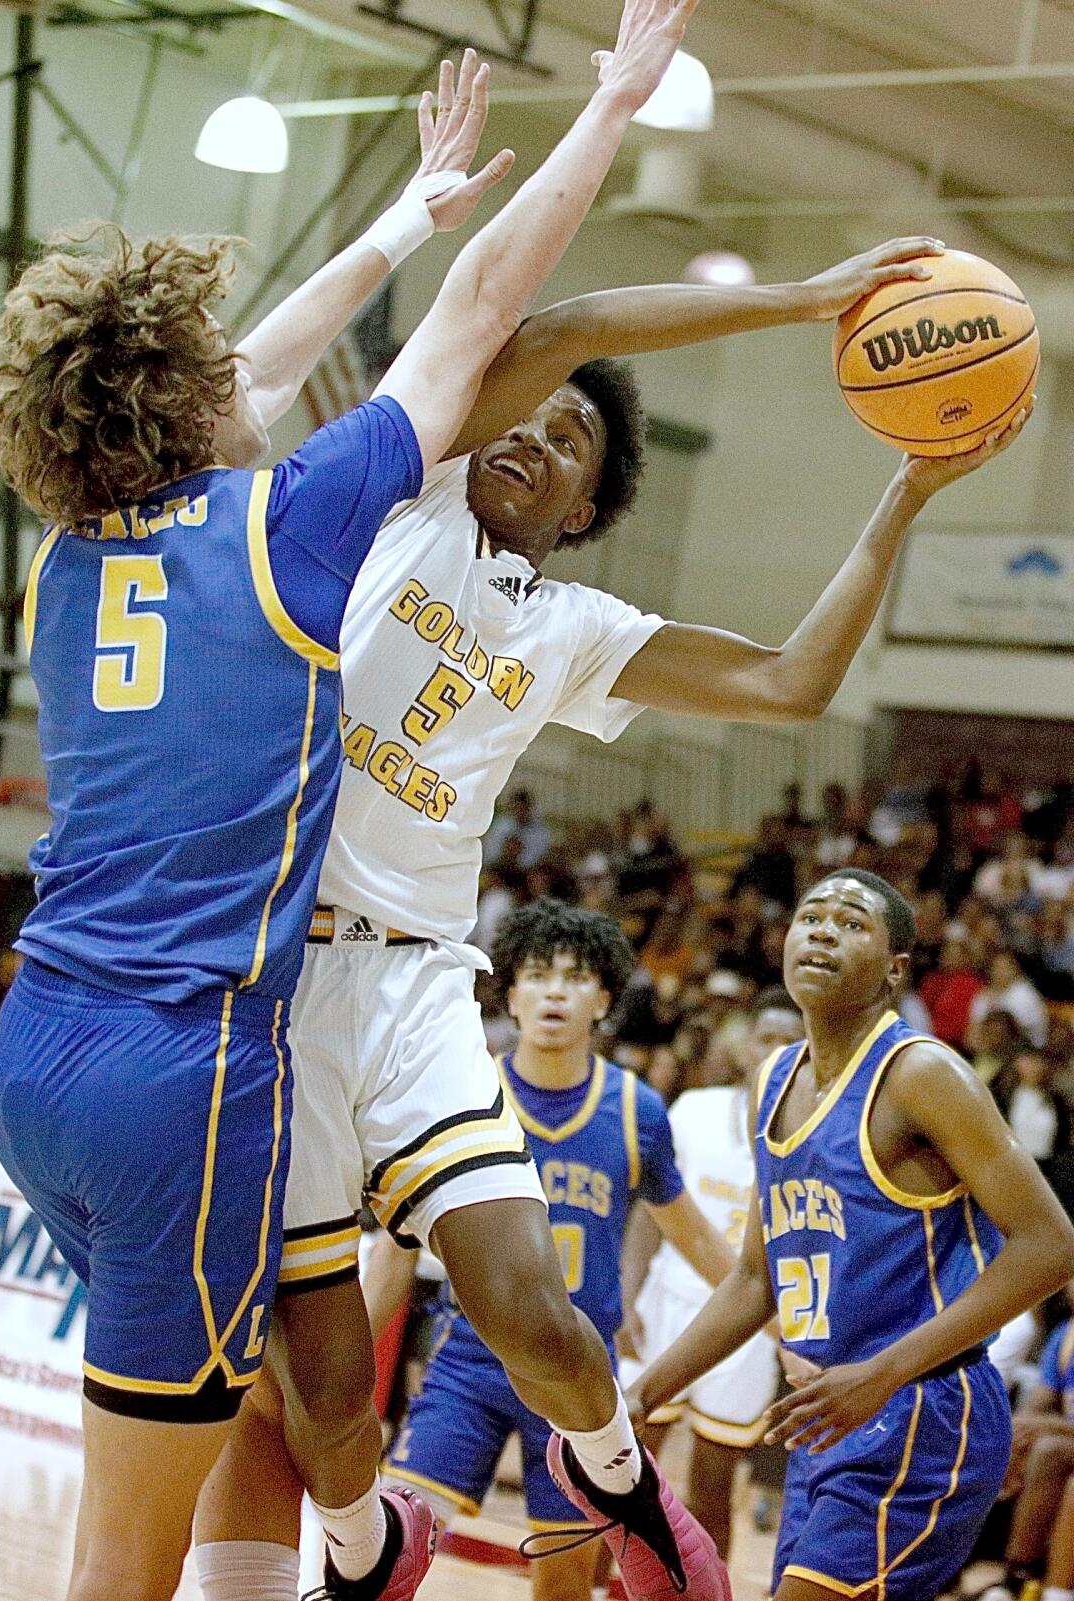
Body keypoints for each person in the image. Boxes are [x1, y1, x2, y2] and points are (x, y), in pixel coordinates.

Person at [194, 219, 1038, 1601]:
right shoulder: (399, 500)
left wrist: (903, 494)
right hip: (278, 973)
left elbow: (789, 689)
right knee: (324, 1382)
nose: (540, 434)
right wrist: (806, 297)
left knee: (537, 1306)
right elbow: (557, 332)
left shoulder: (569, 623)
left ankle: (620, 1484)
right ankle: (358, 1557)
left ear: (588, 508)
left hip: (411, 982)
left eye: (576, 441)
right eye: (532, 419)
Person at [0, 31, 647, 1600]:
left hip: (38, 1056)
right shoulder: (287, 534)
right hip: (177, 1073)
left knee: (256, 1410)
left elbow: (261, 369)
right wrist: (606, 106)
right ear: (196, 406)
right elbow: (488, 312)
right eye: (219, 370)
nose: (250, 377)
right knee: (126, 1554)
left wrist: (400, 217)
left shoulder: (68, 553)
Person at [624, 870, 1074, 1601]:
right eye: (811, 916)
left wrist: (883, 1373)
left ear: (896, 967)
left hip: (925, 1409)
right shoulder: (772, 1080)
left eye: (851, 921)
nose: (825, 930)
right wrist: (644, 1393)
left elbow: (1051, 1245)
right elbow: (753, 1279)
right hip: (827, 1421)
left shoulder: (921, 1073)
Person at [371, 899, 735, 1601]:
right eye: (538, 975)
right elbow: (396, 1248)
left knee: (564, 1586)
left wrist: (785, 1326)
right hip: (467, 1362)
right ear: (509, 992)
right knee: (388, 1554)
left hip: (576, 1378)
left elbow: (695, 1236)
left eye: (575, 977)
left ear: (604, 998)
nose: (556, 991)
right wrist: (347, 1364)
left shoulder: (637, 1111)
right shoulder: (463, 1094)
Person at [618, 988, 805, 1559]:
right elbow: (651, 1217)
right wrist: (625, 1300)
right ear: (747, 1046)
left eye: (788, 1041)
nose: (775, 1049)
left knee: (714, 1484)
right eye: (766, 1037)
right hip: (666, 1301)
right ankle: (601, 1587)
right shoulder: (694, 1109)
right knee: (624, 1470)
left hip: (749, 1326)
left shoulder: (811, 1134)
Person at [978, 1290, 1074, 1601]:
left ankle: (1057, 1591)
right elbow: (1036, 1406)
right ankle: (1016, 1579)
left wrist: (1037, 1426)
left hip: (1062, 1446)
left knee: (1051, 1452)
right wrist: (1017, 1434)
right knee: (1016, 1436)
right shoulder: (1066, 1335)